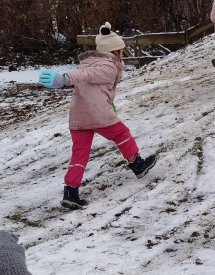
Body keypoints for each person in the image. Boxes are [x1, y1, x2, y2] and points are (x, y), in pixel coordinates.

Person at [38, 23, 157, 209]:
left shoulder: (90, 61)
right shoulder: (107, 66)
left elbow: (91, 81)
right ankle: (137, 165)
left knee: (80, 153)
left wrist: (109, 101)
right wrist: (65, 79)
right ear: (115, 51)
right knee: (121, 134)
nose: (123, 55)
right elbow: (86, 74)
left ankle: (71, 192)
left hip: (79, 115)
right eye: (122, 51)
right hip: (97, 113)